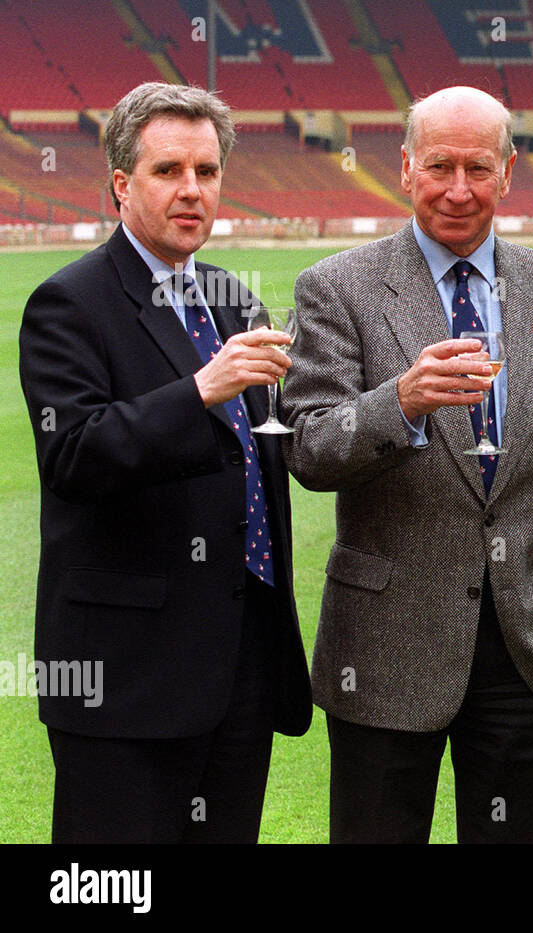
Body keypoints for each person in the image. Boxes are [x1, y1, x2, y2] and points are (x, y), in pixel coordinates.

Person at [280, 86, 533, 844]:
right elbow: (308, 447)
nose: (459, 189)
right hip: (385, 647)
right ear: (405, 169)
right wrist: (397, 402)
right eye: (440, 165)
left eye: (479, 167)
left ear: (508, 174)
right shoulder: (335, 287)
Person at [18, 82, 312, 843]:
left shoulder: (230, 300)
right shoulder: (69, 303)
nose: (192, 191)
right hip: (126, 677)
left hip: (240, 661)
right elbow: (75, 453)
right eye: (168, 171)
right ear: (121, 185)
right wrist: (200, 390)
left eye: (207, 173)